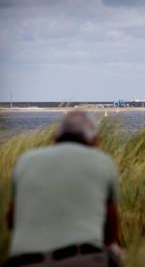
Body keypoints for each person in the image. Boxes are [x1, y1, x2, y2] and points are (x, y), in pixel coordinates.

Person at [5, 111, 123, 267]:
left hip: (24, 261)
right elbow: (111, 220)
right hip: (82, 258)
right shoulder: (103, 161)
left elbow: (12, 220)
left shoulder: (25, 160)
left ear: (55, 138)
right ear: (95, 141)